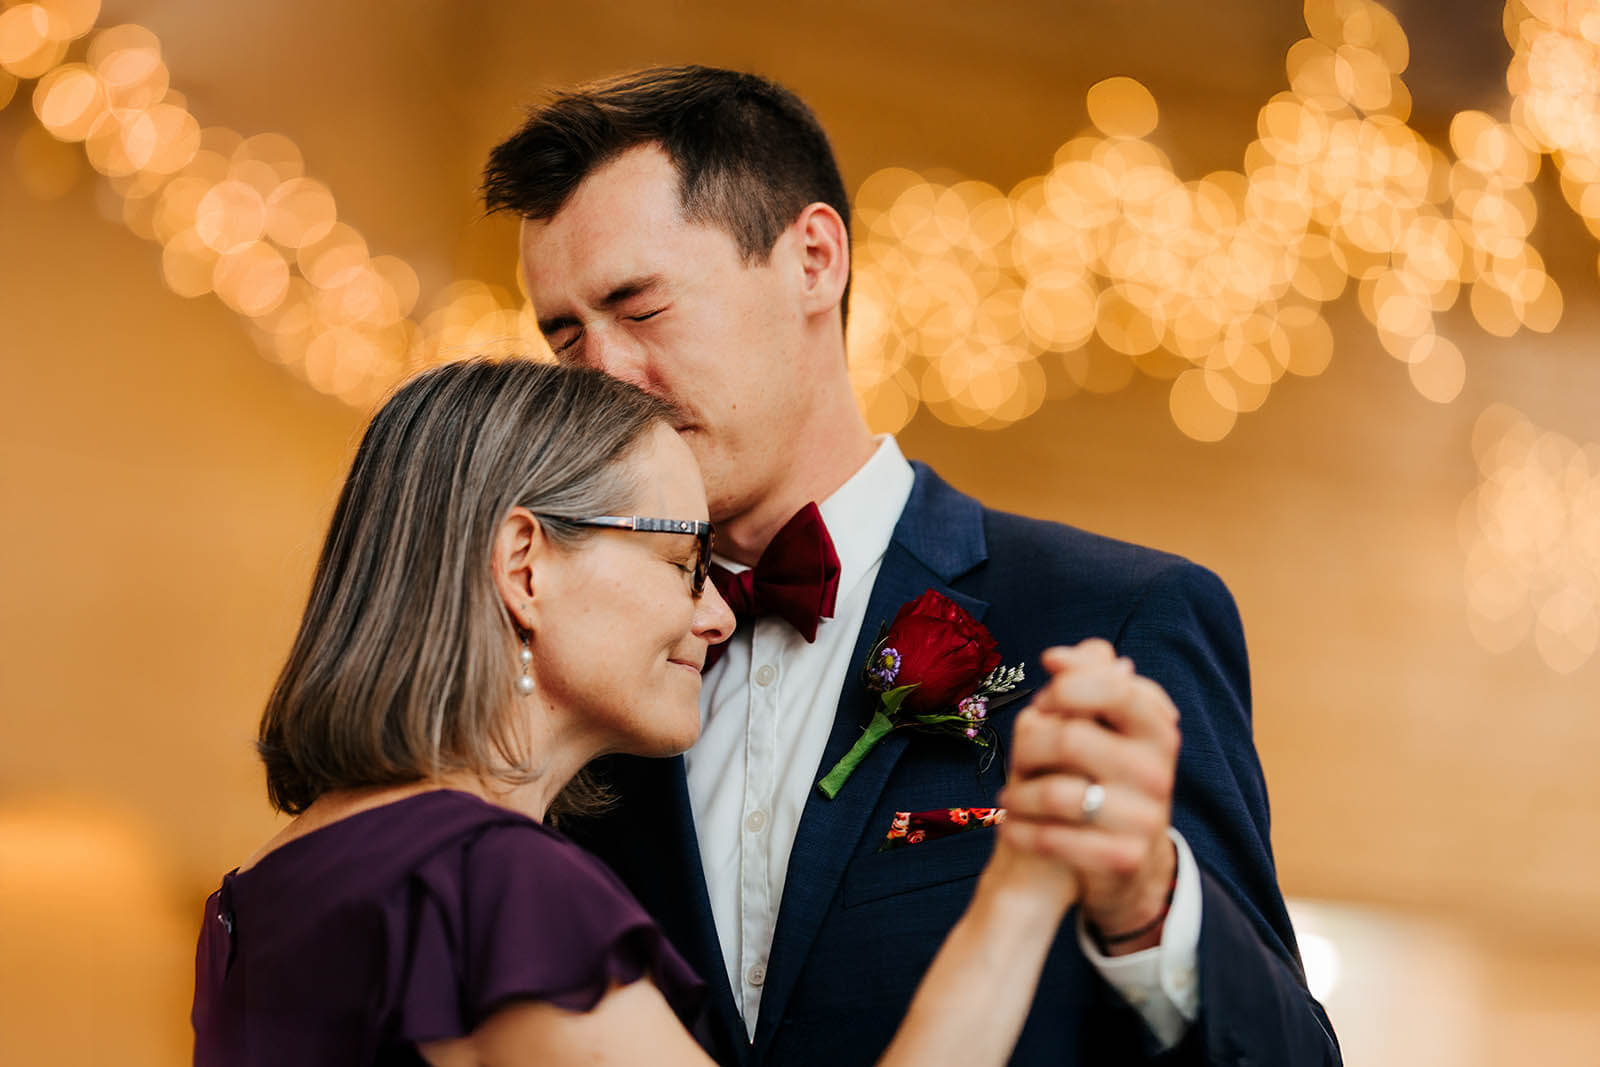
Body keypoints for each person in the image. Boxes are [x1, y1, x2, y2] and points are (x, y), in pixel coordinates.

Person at [482, 66, 1341, 1065]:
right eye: (564, 334)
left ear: (813, 258)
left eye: (641, 309)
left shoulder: (1116, 617)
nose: (605, 377)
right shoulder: (576, 675)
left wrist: (1150, 900)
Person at [190, 358, 1099, 1066]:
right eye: (681, 563)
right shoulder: (489, 883)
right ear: (525, 565)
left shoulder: (271, 878)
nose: (714, 613)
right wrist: (1022, 892)